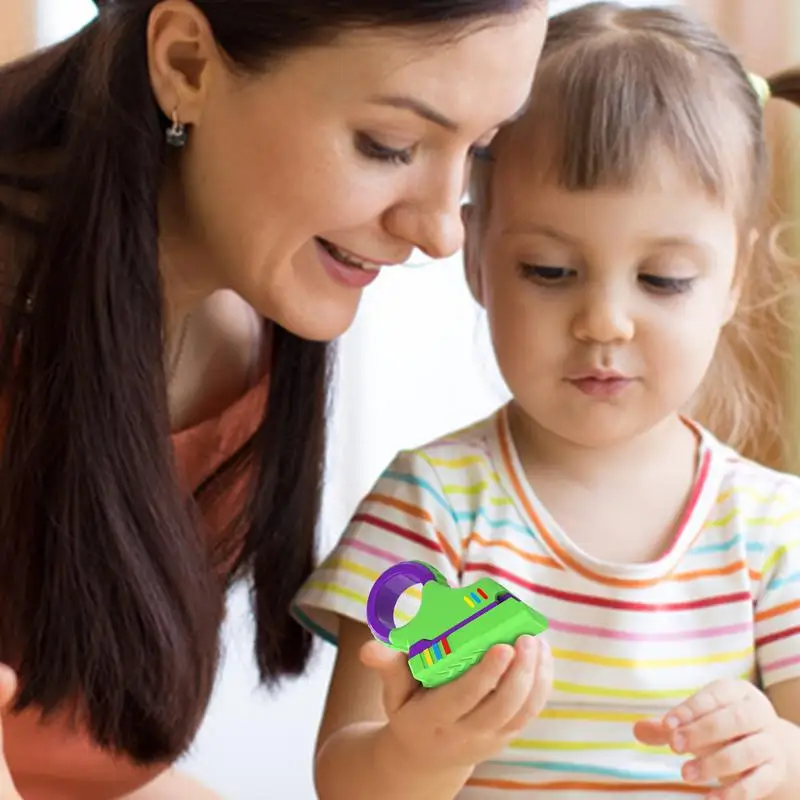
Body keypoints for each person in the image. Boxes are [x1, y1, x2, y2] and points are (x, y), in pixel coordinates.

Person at [0, 0, 549, 796]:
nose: (442, 231)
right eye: (389, 145)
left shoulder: (248, 326)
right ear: (186, 64)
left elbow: (89, 771)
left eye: (481, 149)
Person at [292, 3, 800, 798]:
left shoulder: (775, 531)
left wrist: (780, 757)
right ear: (477, 265)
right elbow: (343, 783)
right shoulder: (431, 507)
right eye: (551, 271)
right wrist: (418, 754)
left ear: (734, 280)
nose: (605, 321)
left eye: (663, 279)